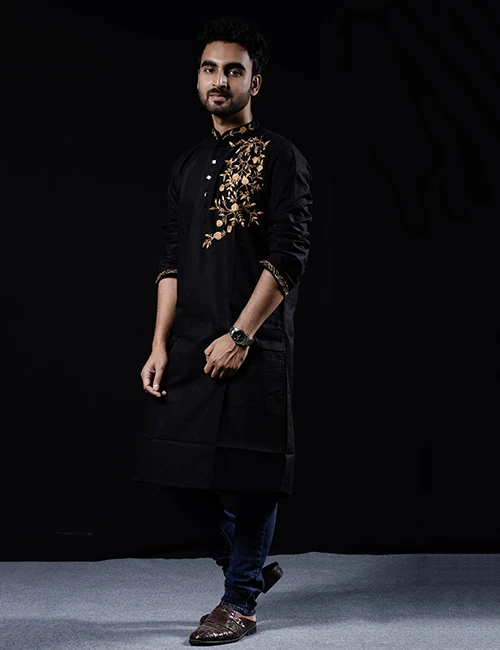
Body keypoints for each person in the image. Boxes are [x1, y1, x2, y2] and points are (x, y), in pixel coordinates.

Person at [132, 15, 313, 646]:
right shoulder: (186, 165)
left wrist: (240, 336)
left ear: (253, 83)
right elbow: (171, 261)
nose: (219, 80)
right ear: (198, 78)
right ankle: (249, 564)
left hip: (255, 343)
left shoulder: (281, 156)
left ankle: (239, 603)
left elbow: (288, 256)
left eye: (233, 70)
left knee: (251, 476)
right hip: (189, 342)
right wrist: (159, 344)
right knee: (167, 467)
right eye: (210, 68)